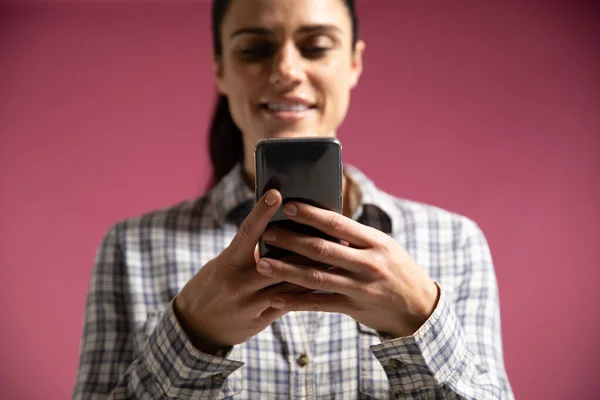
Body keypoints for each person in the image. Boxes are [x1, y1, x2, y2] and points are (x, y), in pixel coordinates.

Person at [73, 0, 514, 398]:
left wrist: (419, 321)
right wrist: (193, 336)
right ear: (220, 68)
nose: (286, 70)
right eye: (254, 49)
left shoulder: (454, 242)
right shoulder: (131, 248)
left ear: (354, 63)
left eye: (317, 46)